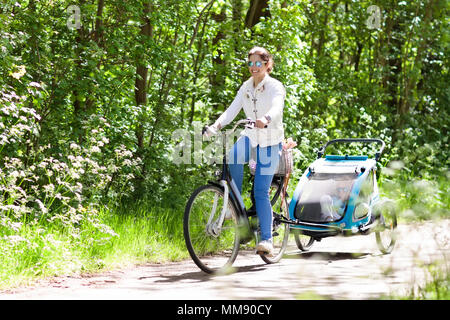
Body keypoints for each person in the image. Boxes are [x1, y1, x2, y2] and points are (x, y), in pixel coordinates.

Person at [204, 46, 286, 256]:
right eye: (250, 63)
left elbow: (276, 108)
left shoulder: (275, 87)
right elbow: (232, 110)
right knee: (232, 156)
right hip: (250, 136)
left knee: (260, 191)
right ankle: (234, 203)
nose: (253, 67)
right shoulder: (246, 87)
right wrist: (216, 126)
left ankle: (266, 240)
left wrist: (266, 119)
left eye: (258, 63)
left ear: (268, 65)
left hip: (269, 140)